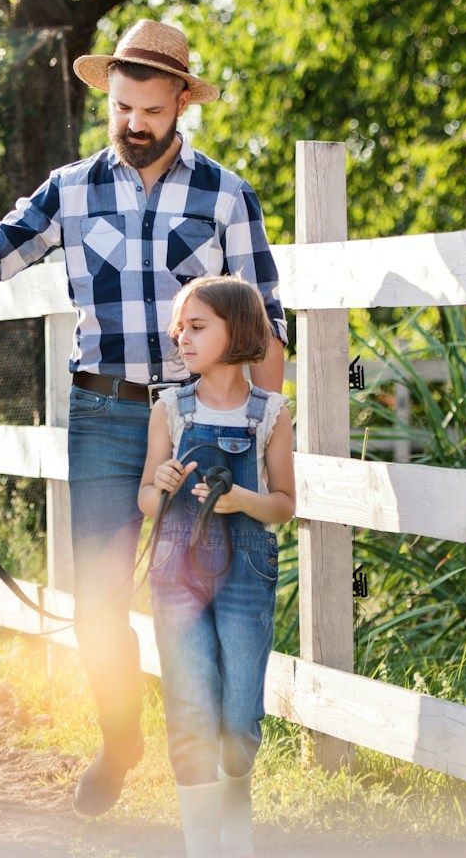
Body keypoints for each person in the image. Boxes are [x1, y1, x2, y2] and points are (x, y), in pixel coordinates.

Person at [0, 18, 287, 815]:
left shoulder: (226, 196)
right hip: (105, 416)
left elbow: (265, 326)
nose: (133, 124)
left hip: (201, 422)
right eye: (122, 107)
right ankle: (122, 739)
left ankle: (225, 780)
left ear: (181, 103)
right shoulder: (72, 188)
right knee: (96, 602)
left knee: (211, 596)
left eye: (150, 110)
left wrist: (261, 429)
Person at [140, 275, 294, 858]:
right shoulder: (169, 410)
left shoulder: (271, 413)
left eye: (197, 327)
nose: (183, 338)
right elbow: (147, 502)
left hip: (246, 573)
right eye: (180, 328)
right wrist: (162, 484)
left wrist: (242, 502)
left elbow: (283, 503)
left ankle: (237, 836)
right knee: (190, 704)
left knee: (239, 717)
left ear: (239, 331)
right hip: (177, 571)